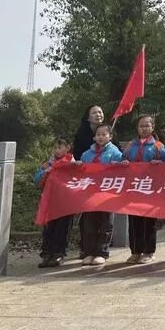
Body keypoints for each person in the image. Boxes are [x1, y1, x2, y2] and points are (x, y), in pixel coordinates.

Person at [122, 114, 165, 265]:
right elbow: (122, 159)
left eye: (147, 125)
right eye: (141, 126)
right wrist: (124, 162)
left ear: (153, 127)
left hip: (151, 189)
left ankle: (148, 251)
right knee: (134, 220)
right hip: (133, 189)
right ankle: (135, 251)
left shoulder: (158, 146)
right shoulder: (130, 145)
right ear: (137, 128)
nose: (144, 128)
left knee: (149, 221)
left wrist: (159, 163)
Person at [79, 123, 123, 265]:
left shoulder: (115, 153)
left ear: (110, 136)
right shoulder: (87, 154)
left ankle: (102, 252)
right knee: (89, 224)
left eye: (104, 134)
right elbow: (81, 172)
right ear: (94, 137)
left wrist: (120, 165)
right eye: (98, 134)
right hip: (90, 195)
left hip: (107, 194)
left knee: (106, 224)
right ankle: (89, 252)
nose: (101, 137)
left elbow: (122, 171)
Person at [34, 137, 76, 268]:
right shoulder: (48, 164)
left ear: (67, 148)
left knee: (62, 229)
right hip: (50, 202)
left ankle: (58, 253)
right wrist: (44, 172)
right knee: (48, 229)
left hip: (65, 203)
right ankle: (46, 253)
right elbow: (37, 181)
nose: (57, 150)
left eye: (60, 147)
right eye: (55, 148)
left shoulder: (72, 163)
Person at [72, 104, 104, 260]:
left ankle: (101, 249)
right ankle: (86, 248)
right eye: (94, 112)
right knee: (87, 214)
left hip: (105, 181)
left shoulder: (109, 131)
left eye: (100, 112)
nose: (98, 115)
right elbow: (77, 156)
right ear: (88, 117)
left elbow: (118, 152)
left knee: (104, 215)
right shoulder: (81, 134)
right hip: (86, 180)